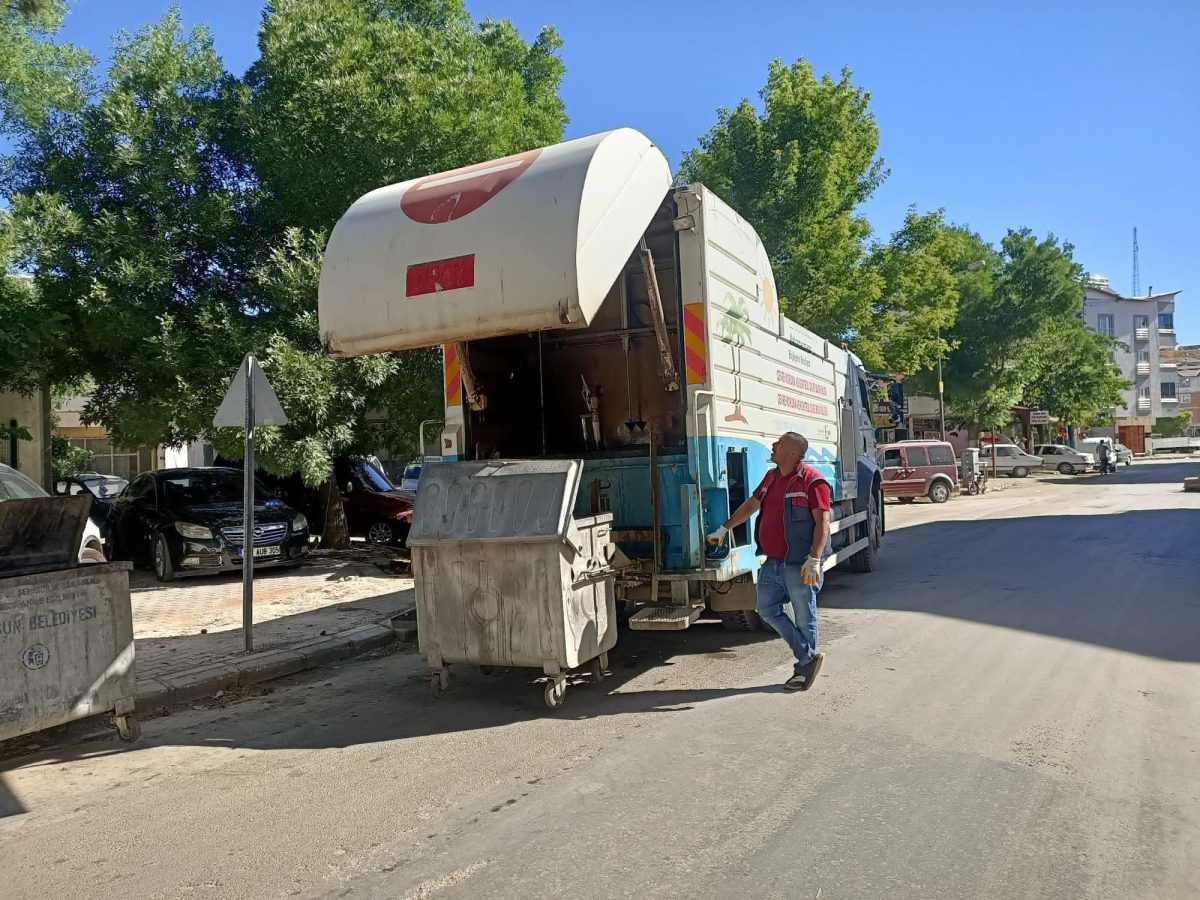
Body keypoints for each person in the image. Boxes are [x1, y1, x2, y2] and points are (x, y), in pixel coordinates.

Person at [706, 431, 831, 692]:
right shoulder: (771, 478)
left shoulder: (813, 482)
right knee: (766, 610)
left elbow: (823, 522)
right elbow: (752, 505)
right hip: (772, 562)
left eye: (780, 443)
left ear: (793, 453)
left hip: (799, 564)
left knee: (804, 616)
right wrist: (724, 529)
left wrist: (815, 559)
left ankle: (802, 670)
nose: (773, 446)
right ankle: (808, 657)